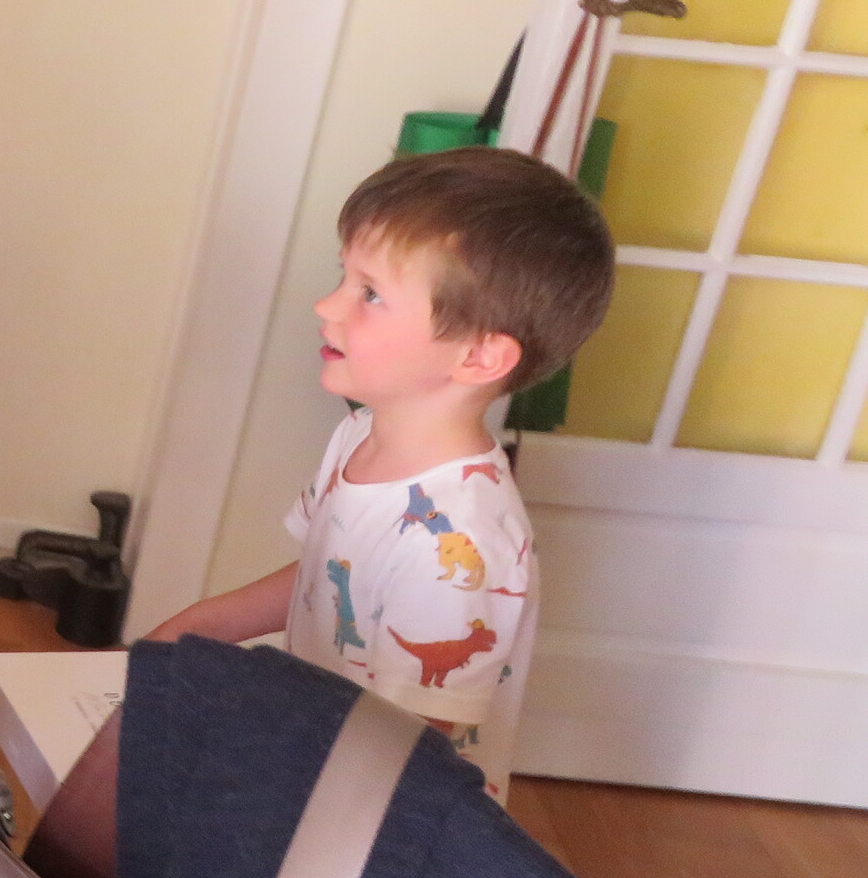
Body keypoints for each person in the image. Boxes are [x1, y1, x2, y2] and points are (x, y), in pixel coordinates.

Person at [145, 146, 615, 800]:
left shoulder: (462, 544)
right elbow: (326, 573)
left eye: (369, 293)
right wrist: (194, 630)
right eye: (343, 276)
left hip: (378, 814)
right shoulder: (359, 434)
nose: (327, 305)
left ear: (479, 356)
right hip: (313, 763)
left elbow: (404, 755)